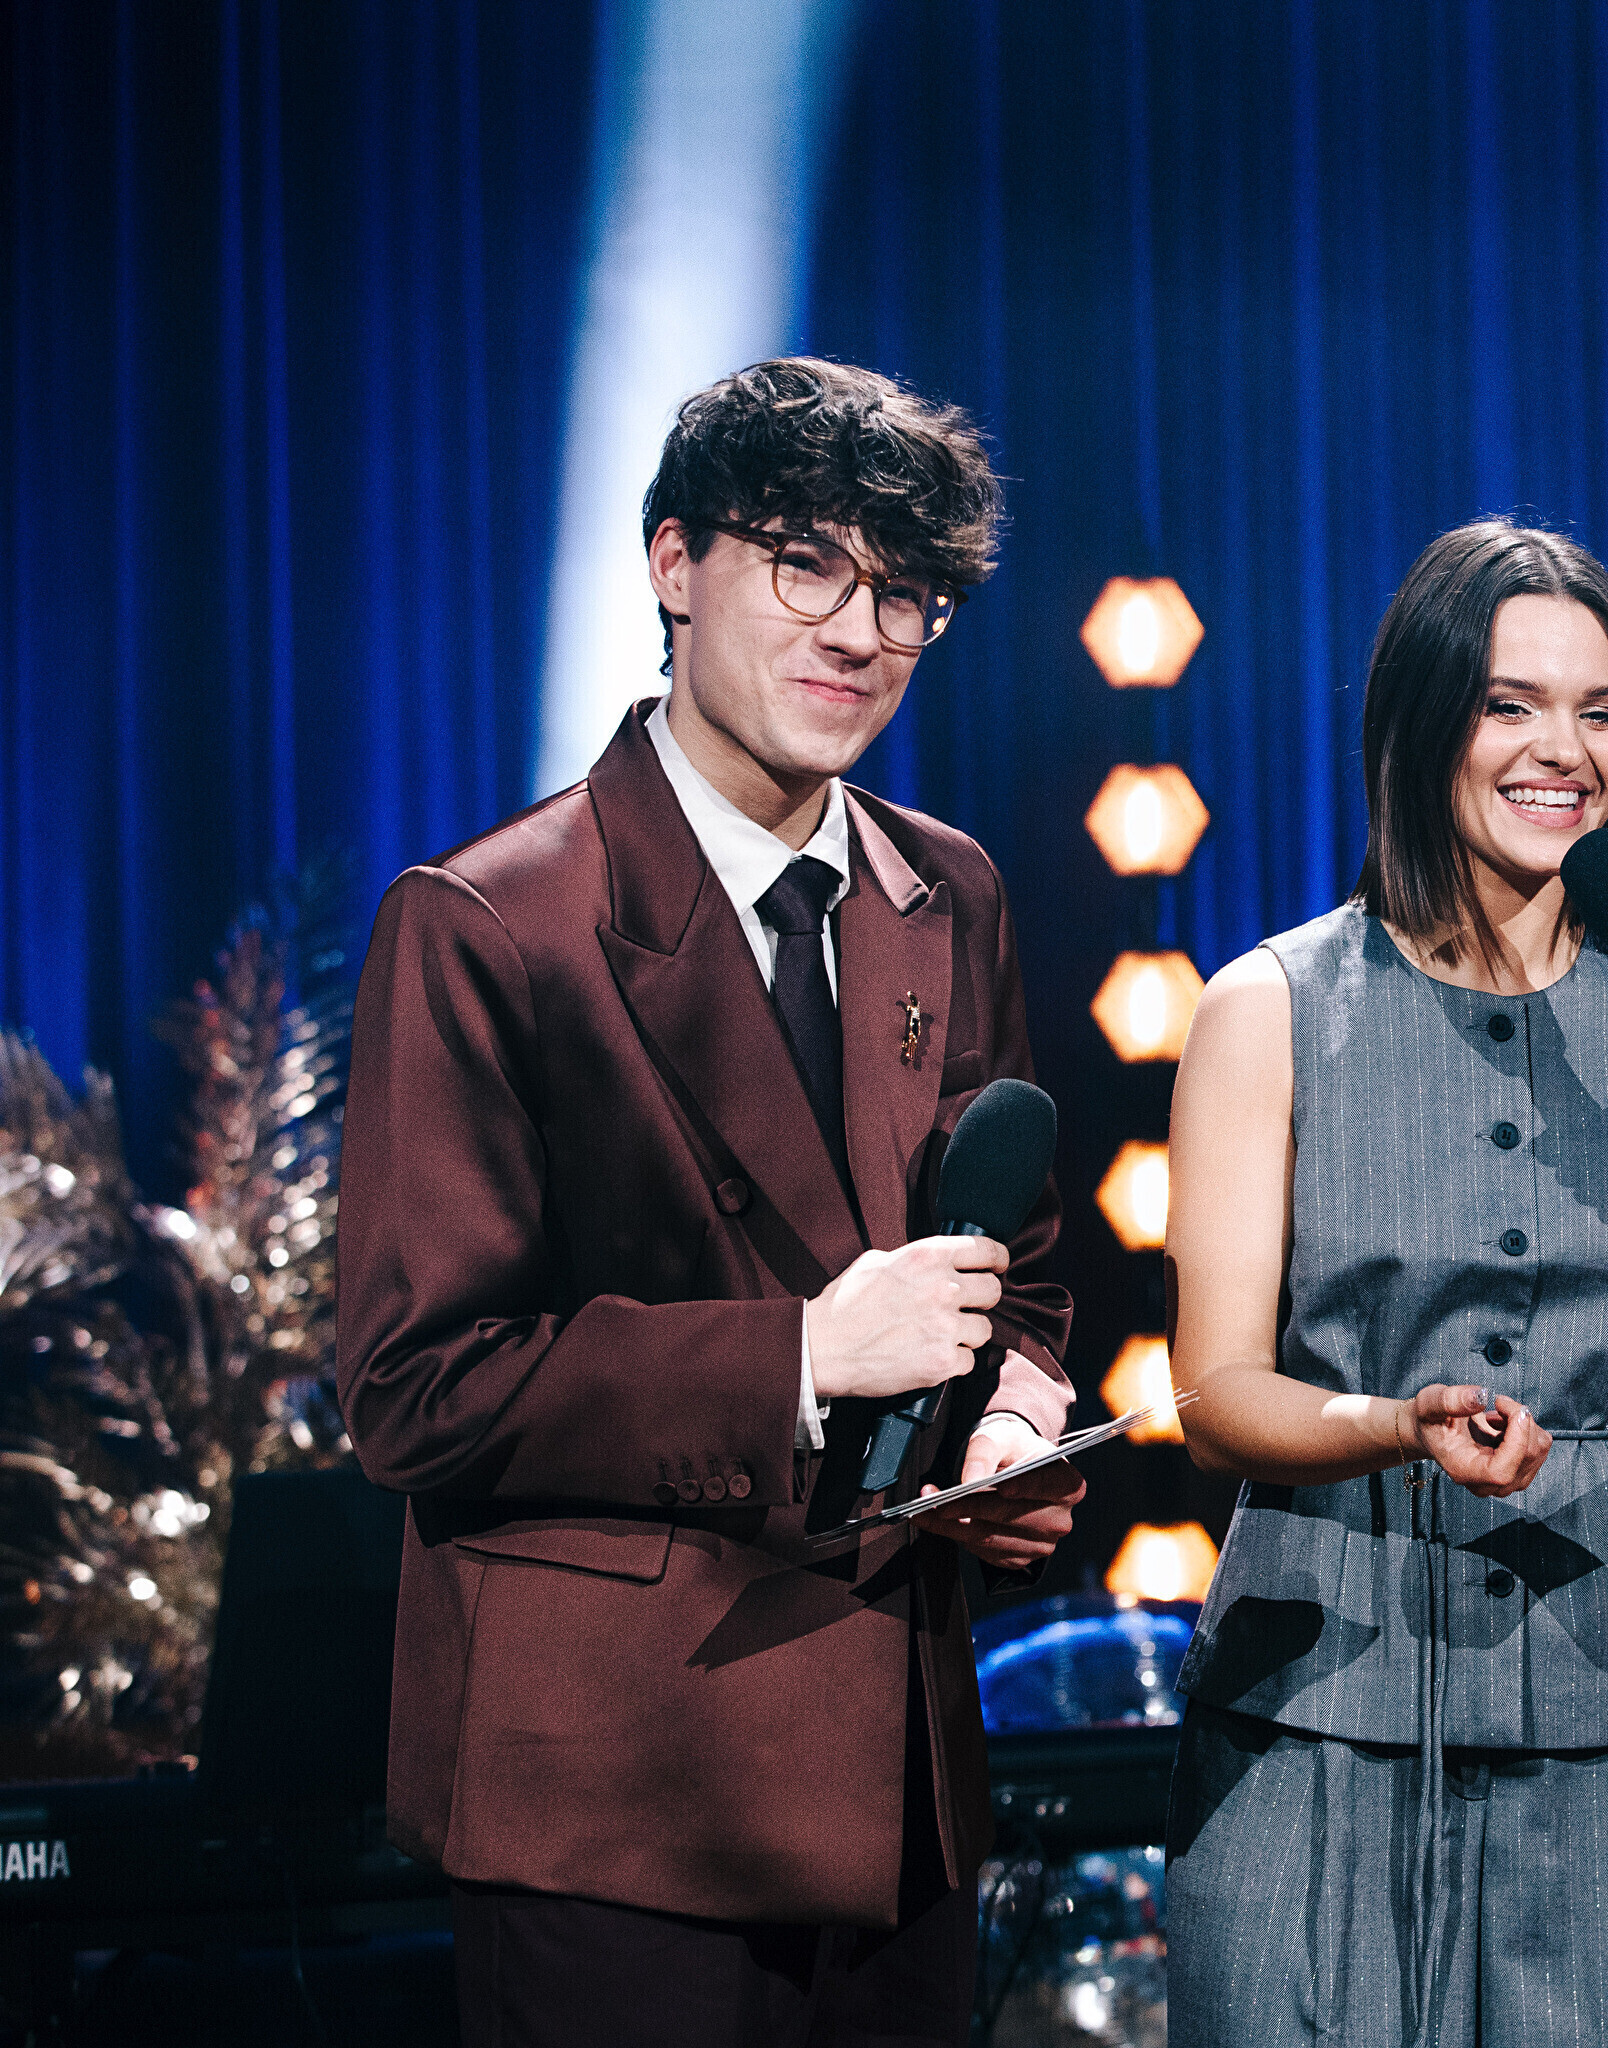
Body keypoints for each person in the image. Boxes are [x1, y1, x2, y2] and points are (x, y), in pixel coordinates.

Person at [337, 357, 1084, 2047]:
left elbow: (1019, 1272)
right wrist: (803, 1357)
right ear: (674, 564)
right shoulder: (488, 922)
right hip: (619, 1801)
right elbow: (415, 1387)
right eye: (806, 565)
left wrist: (1007, 1427)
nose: (858, 633)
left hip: (897, 1789)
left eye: (905, 594)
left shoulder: (946, 890)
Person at [1158, 519, 1608, 2045]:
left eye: (1600, 713)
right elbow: (1214, 1393)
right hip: (1318, 1701)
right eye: (1511, 705)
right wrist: (1397, 1422)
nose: (1563, 751)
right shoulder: (1269, 1008)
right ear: (1423, 722)